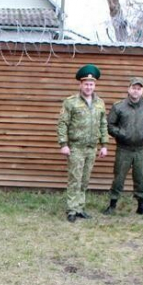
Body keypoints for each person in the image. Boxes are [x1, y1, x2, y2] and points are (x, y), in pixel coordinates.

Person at [103, 77, 143, 216]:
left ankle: (142, 206)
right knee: (118, 178)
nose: (136, 91)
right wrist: (121, 134)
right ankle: (112, 204)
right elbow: (110, 125)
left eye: (139, 88)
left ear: (142, 90)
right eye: (133, 88)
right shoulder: (118, 107)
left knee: (140, 178)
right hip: (123, 149)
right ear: (128, 89)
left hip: (141, 150)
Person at [57, 64, 109, 223]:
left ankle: (80, 208)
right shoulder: (70, 102)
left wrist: (104, 145)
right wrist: (63, 144)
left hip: (91, 148)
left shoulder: (100, 103)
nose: (88, 86)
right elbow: (62, 123)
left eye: (91, 84)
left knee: (85, 180)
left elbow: (103, 124)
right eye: (86, 83)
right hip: (76, 147)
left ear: (95, 85)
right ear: (80, 84)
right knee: (75, 179)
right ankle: (72, 210)